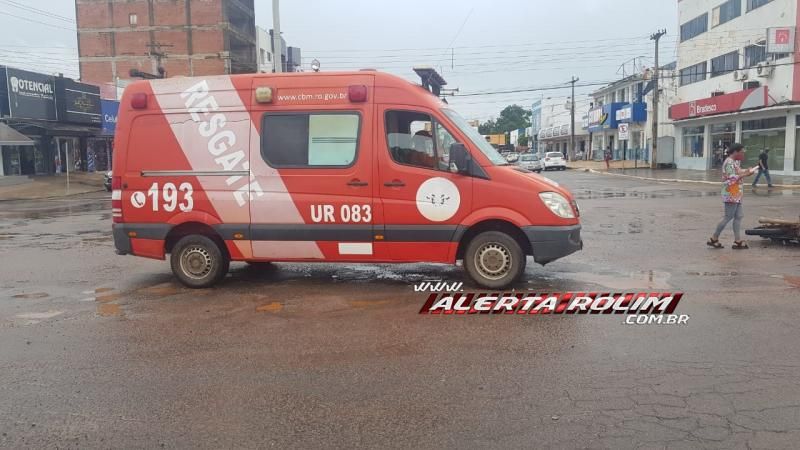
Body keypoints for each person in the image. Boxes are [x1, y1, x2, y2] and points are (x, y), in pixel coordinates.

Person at [708, 143, 758, 250]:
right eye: (742, 151)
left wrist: (747, 171)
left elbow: (738, 172)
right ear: (735, 152)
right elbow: (732, 177)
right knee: (728, 216)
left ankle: (737, 240)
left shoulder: (733, 162)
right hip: (731, 193)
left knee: (739, 216)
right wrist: (746, 174)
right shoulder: (729, 162)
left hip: (736, 193)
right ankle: (714, 238)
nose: (743, 153)